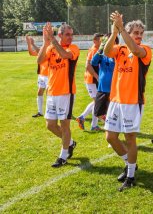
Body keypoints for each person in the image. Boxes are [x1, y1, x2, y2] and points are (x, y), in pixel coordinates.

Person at [104, 11, 152, 191]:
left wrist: (122, 28)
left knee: (130, 138)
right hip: (116, 99)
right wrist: (115, 32)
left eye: (141, 33)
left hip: (132, 101)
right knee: (110, 136)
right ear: (129, 34)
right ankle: (129, 163)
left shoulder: (145, 50)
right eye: (136, 33)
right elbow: (107, 51)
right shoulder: (120, 50)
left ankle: (131, 176)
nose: (139, 36)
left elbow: (135, 50)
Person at [36, 22, 79, 168]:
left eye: (71, 34)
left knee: (64, 125)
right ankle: (71, 143)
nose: (70, 37)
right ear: (60, 35)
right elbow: (39, 60)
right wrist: (45, 41)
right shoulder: (50, 48)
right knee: (50, 125)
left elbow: (65, 55)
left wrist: (53, 41)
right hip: (52, 92)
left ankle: (63, 155)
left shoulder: (73, 48)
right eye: (67, 34)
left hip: (66, 93)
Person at [76, 33, 103, 131]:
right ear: (94, 41)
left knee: (97, 102)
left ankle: (90, 123)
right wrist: (97, 76)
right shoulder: (93, 50)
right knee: (97, 102)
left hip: (94, 80)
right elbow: (87, 66)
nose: (102, 42)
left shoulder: (98, 49)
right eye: (100, 40)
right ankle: (88, 121)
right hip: (91, 80)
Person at [91, 34, 117, 121]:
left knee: (113, 114)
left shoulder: (117, 56)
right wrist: (100, 49)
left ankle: (112, 127)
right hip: (101, 89)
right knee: (98, 113)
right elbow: (93, 62)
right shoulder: (102, 55)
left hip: (113, 90)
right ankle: (109, 123)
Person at [26, 34, 49, 117]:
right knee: (39, 92)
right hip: (41, 75)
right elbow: (31, 53)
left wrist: (33, 44)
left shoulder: (51, 48)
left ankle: (51, 113)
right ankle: (40, 112)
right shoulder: (42, 48)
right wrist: (29, 43)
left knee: (49, 94)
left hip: (49, 75)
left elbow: (41, 53)